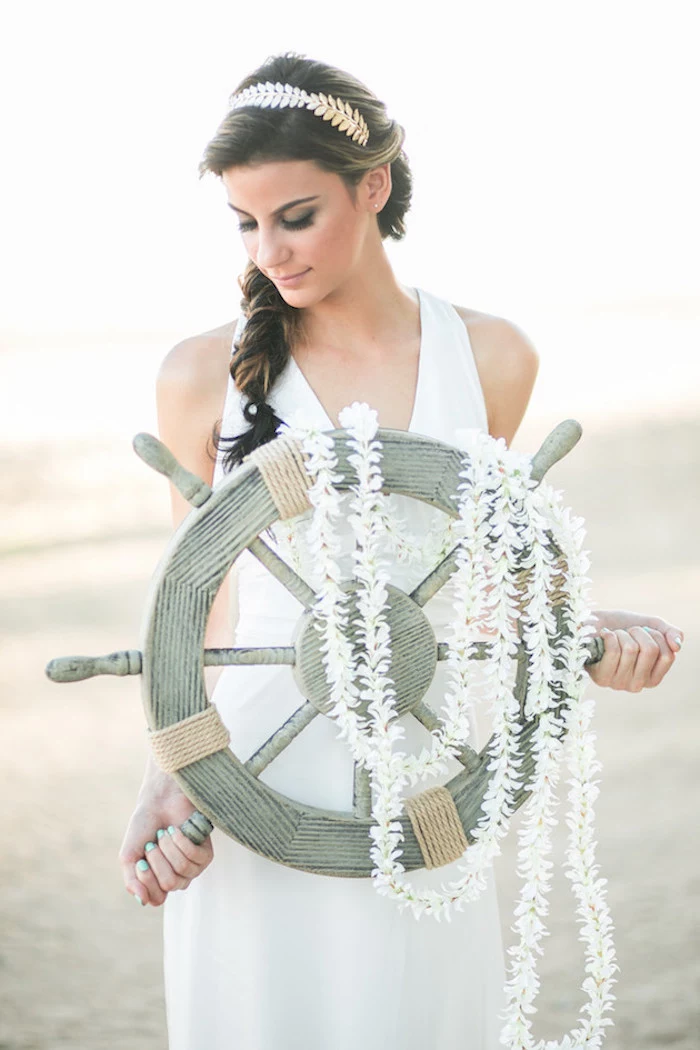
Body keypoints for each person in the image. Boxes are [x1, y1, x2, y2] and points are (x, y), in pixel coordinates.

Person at [119, 52, 683, 1049]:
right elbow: (193, 610)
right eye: (246, 224)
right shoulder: (201, 372)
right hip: (254, 765)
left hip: (418, 770)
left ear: (371, 186)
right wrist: (169, 774)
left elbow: (481, 586)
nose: (269, 252)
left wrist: (580, 630)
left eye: (295, 216)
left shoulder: (492, 354)